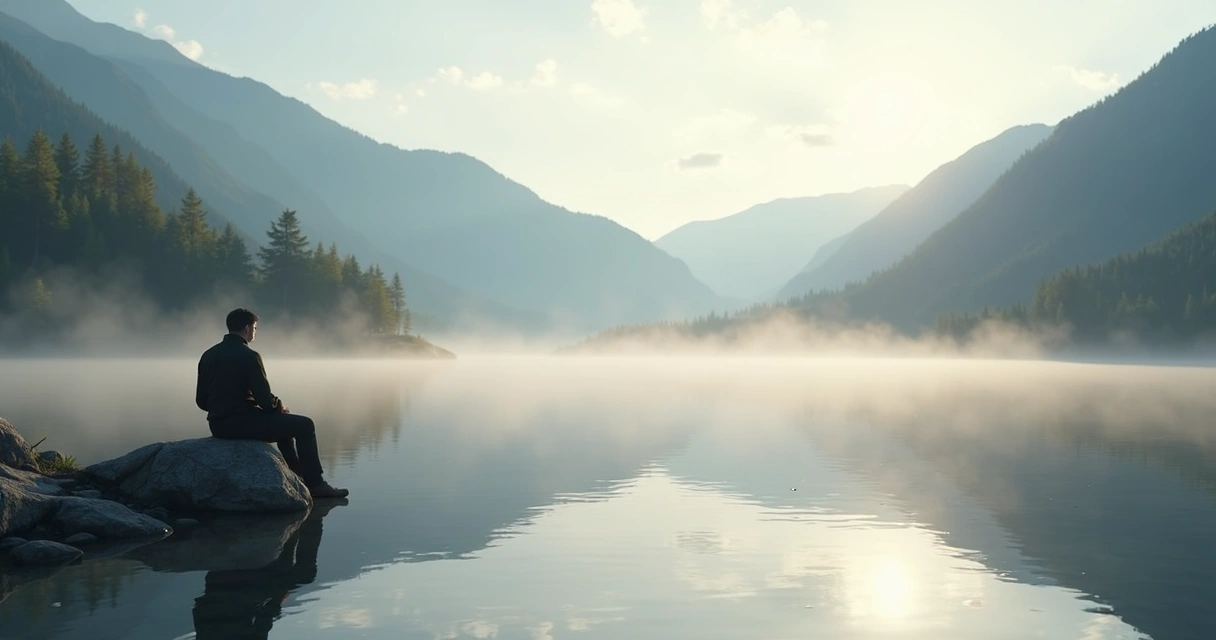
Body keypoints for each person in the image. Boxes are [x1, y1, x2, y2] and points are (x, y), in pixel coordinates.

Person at [196, 308, 349, 499]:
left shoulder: (208, 355)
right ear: (247, 328)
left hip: (218, 426)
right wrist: (279, 406)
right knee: (304, 425)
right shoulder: (249, 356)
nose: (255, 332)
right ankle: (316, 484)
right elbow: (265, 401)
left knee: (281, 425)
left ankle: (297, 476)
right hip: (243, 425)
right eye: (255, 328)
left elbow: (201, 402)